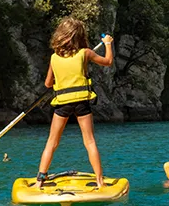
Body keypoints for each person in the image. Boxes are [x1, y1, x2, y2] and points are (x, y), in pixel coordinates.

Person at [37, 17, 113, 189]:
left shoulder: (54, 58)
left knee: (52, 142)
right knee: (90, 141)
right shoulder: (85, 53)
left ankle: (40, 180)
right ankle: (100, 182)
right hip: (81, 103)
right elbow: (108, 62)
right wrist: (107, 43)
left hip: (62, 103)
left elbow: (48, 84)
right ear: (79, 37)